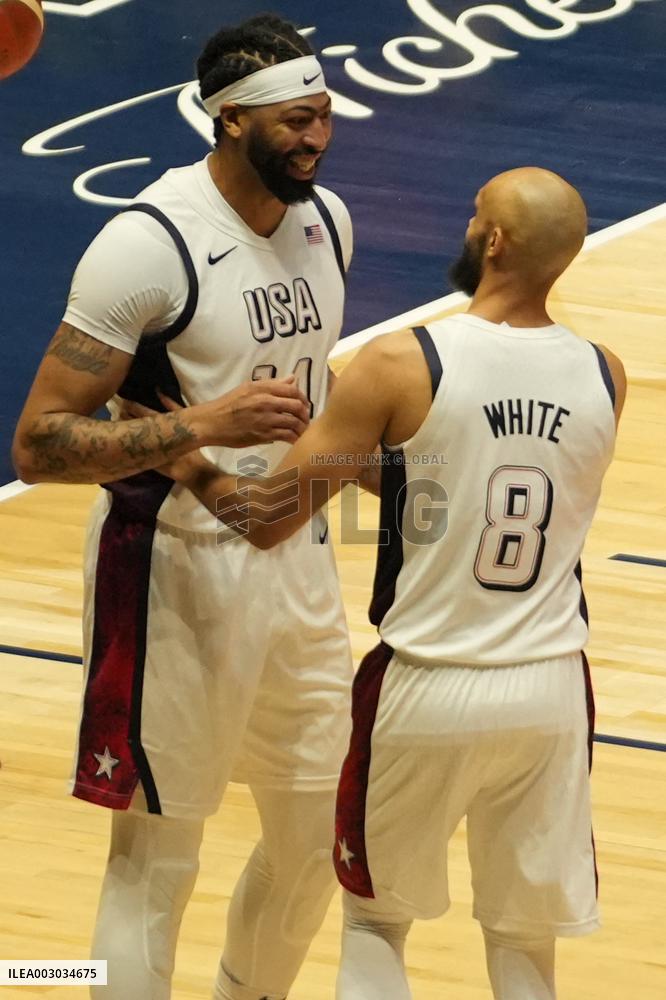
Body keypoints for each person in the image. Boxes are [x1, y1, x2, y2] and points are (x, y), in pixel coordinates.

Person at [156, 167, 627, 1000]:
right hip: (552, 690)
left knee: (377, 924)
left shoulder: (400, 363)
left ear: (494, 243)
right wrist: (360, 449)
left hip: (428, 685)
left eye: (473, 212)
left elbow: (268, 519)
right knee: (524, 946)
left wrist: (184, 457)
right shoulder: (605, 374)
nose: (464, 222)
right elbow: (452, 483)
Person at [12, 13, 355, 1000]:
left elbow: (305, 387)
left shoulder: (328, 221)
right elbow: (39, 442)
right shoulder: (147, 243)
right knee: (162, 856)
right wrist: (203, 427)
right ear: (230, 119)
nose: (317, 138)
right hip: (170, 569)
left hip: (295, 555)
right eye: (295, 120)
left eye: (324, 115)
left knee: (313, 835)